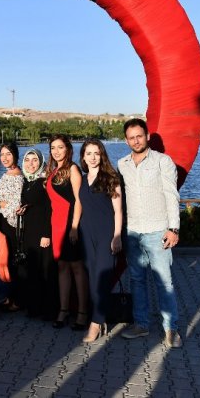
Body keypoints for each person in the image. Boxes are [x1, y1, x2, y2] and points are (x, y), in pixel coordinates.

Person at [117, 118, 183, 348]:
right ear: (126, 140)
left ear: (147, 136)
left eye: (139, 136)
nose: (136, 140)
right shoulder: (122, 164)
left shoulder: (163, 162)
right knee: (137, 280)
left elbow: (171, 196)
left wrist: (173, 228)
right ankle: (141, 324)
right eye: (131, 137)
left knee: (164, 282)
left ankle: (171, 329)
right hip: (133, 232)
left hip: (158, 231)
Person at [79, 139, 123, 343]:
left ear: (102, 155)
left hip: (106, 234)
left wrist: (117, 236)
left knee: (101, 280)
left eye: (97, 153)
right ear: (83, 156)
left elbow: (118, 210)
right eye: (89, 153)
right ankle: (100, 318)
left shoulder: (111, 177)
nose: (93, 157)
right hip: (87, 234)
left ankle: (95, 324)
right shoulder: (82, 178)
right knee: (91, 279)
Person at [46, 134, 88, 331]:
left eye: (60, 147)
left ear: (68, 149)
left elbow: (79, 200)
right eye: (53, 148)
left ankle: (82, 312)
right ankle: (63, 310)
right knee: (62, 267)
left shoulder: (72, 169)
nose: (56, 151)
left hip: (71, 225)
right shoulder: (54, 171)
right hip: (56, 225)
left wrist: (74, 227)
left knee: (77, 269)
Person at [16, 148, 57, 320]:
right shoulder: (27, 181)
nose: (31, 164)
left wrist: (46, 234)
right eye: (27, 160)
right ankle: (33, 307)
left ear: (40, 162)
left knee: (44, 271)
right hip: (29, 231)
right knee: (32, 269)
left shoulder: (44, 182)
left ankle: (48, 310)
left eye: (34, 160)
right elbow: (30, 204)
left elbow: (49, 209)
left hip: (42, 232)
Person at [0, 142, 24, 309]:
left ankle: (15, 300)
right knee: (6, 259)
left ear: (16, 156)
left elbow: (18, 205)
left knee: (11, 260)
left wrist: (0, 203)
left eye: (8, 154)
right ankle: (8, 296)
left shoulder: (17, 176)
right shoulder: (8, 173)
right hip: (3, 223)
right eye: (2, 154)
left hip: (11, 225)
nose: (4, 158)